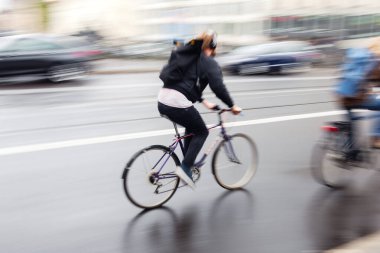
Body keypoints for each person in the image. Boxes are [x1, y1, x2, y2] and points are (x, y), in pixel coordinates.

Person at [157, 30, 241, 188]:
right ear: (213, 47)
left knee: (191, 127)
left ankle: (186, 163)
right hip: (177, 102)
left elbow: (187, 85)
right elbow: (218, 87)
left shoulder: (188, 57)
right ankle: (185, 168)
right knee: (202, 131)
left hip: (162, 100)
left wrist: (204, 101)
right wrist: (232, 106)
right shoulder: (209, 62)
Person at [336, 37, 380, 149]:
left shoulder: (356, 57)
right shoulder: (375, 60)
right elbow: (376, 82)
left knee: (351, 124)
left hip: (341, 95)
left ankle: (349, 152)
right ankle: (376, 137)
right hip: (355, 97)